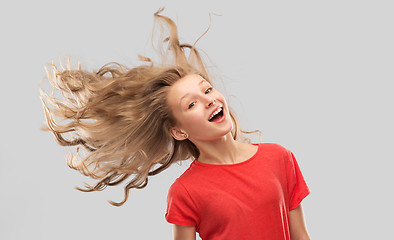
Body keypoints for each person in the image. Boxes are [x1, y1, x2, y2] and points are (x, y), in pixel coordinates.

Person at [40, 8, 311, 240]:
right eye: (190, 104)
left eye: (207, 91)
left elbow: (301, 236)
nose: (208, 101)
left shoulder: (279, 158)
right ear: (179, 131)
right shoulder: (185, 192)